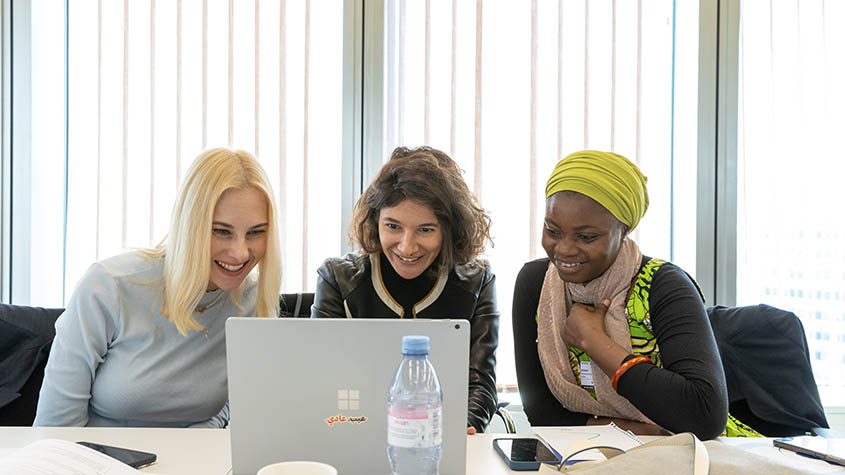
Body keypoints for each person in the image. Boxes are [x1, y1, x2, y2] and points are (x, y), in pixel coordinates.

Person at [34, 148, 282, 427]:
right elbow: (55, 427)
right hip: (99, 463)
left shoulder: (251, 300)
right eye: (221, 231)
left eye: (256, 232)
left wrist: (200, 440)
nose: (240, 253)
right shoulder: (109, 286)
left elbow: (234, 404)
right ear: (190, 226)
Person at [512, 150, 728, 440]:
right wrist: (635, 433)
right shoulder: (535, 285)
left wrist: (595, 342)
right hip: (583, 454)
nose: (563, 250)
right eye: (553, 230)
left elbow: (704, 417)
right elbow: (541, 412)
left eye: (586, 237)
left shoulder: (664, 286)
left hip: (692, 457)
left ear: (623, 230)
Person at [312, 146, 499, 434]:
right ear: (375, 222)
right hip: (356, 435)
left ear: (449, 230)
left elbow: (480, 384)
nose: (407, 247)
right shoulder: (337, 278)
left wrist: (464, 427)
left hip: (442, 439)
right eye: (393, 226)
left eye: (426, 230)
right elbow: (322, 379)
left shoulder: (477, 281)